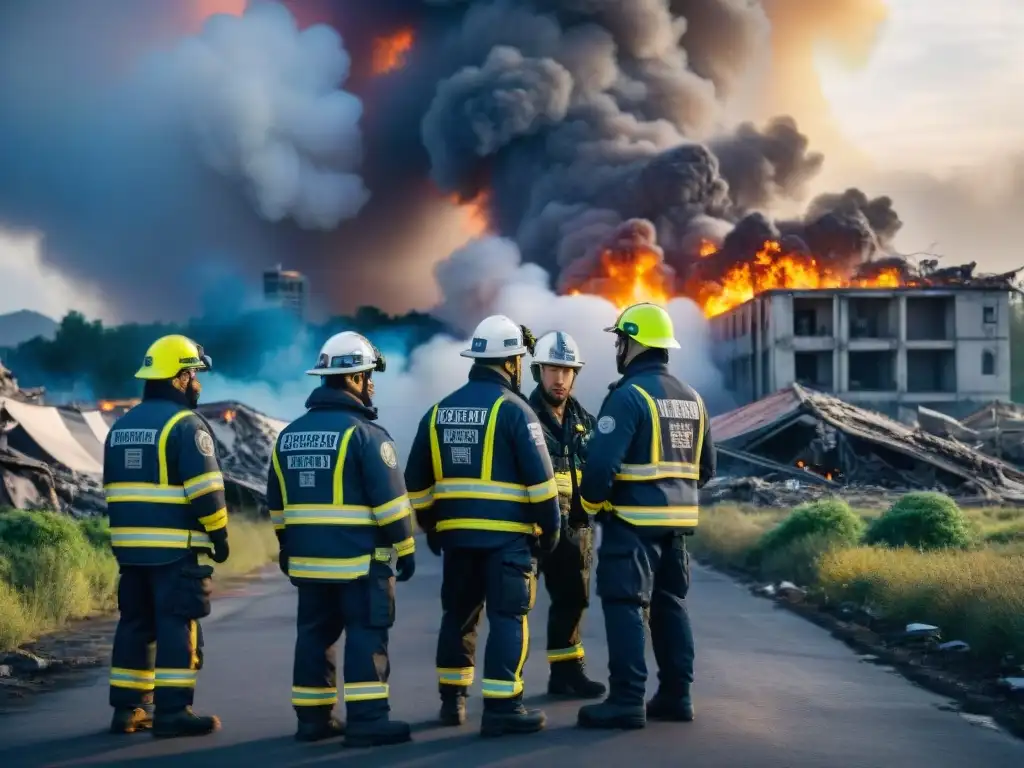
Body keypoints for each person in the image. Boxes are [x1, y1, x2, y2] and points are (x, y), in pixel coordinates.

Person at [404, 315, 561, 738]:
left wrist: (433, 526)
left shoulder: (436, 412)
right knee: (509, 616)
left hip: (457, 541)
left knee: (458, 615)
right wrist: (552, 531)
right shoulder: (517, 411)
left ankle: (452, 702)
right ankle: (503, 707)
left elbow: (416, 482)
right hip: (508, 541)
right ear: (511, 362)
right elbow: (543, 485)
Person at [267, 331, 416, 749]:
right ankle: (368, 719)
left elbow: (276, 504)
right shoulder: (368, 436)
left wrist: (286, 545)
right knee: (367, 634)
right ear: (351, 379)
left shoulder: (288, 437)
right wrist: (405, 551)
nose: (371, 384)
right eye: (368, 376)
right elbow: (391, 506)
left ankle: (313, 719)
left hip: (309, 565)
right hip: (360, 564)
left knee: (315, 635)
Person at [572, 302, 716, 730]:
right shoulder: (694, 399)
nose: (618, 347)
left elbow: (599, 468)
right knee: (671, 605)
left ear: (633, 342)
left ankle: (627, 700)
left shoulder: (628, 397)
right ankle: (677, 696)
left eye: (620, 339)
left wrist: (587, 509)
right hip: (677, 529)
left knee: (626, 605)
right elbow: (707, 469)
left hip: (631, 526)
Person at [104, 334, 230, 739]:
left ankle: (129, 711)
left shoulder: (119, 427)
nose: (198, 383)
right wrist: (220, 535)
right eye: (194, 374)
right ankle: (173, 712)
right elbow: (206, 490)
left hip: (130, 551)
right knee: (178, 625)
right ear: (178, 378)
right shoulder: (187, 426)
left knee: (135, 624)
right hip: (175, 551)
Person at [526, 331, 605, 699]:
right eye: (552, 370)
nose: (560, 379)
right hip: (531, 528)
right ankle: (508, 686)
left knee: (573, 600)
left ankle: (567, 674)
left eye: (567, 371)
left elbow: (596, 468)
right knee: (516, 608)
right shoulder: (522, 417)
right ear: (537, 371)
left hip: (574, 528)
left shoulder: (584, 420)